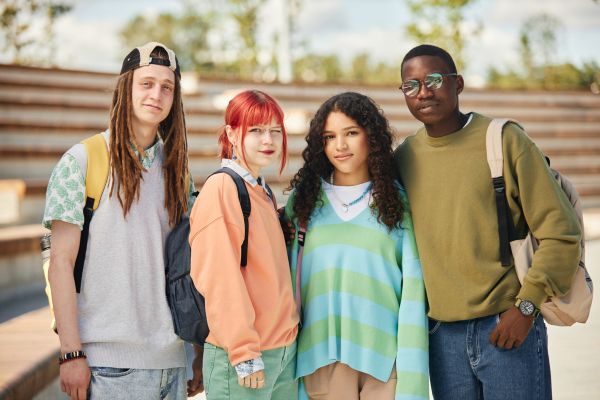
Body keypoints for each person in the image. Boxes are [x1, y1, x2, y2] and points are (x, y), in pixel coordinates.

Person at [394, 44, 582, 400]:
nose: (423, 92)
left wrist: (526, 309)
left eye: (434, 79)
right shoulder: (404, 158)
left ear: (458, 84)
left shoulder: (505, 140)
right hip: (441, 337)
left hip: (507, 325)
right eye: (410, 85)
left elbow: (562, 233)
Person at [43, 42, 195, 399]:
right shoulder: (82, 161)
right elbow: (60, 264)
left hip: (172, 363)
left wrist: (198, 351)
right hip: (109, 367)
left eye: (166, 87)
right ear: (126, 87)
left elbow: (189, 267)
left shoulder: (179, 174)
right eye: (147, 83)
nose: (157, 94)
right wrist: (70, 352)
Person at [285, 92, 429, 400]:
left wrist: (413, 383)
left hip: (384, 365)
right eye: (329, 136)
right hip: (320, 363)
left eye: (351, 133)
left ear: (371, 137)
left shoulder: (397, 204)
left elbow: (413, 296)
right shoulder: (304, 203)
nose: (340, 146)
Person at [188, 90, 299, 400]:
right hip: (243, 358)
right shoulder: (223, 188)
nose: (269, 140)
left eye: (275, 131)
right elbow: (219, 278)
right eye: (256, 130)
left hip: (282, 351)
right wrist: (244, 352)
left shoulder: (261, 191)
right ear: (232, 134)